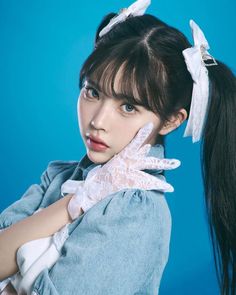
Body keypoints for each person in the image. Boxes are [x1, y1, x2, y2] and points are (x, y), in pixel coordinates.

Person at [0, 0, 235, 294]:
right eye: (92, 91)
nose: (98, 121)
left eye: (128, 106)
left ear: (171, 121)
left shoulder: (137, 212)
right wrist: (75, 203)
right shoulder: (63, 177)